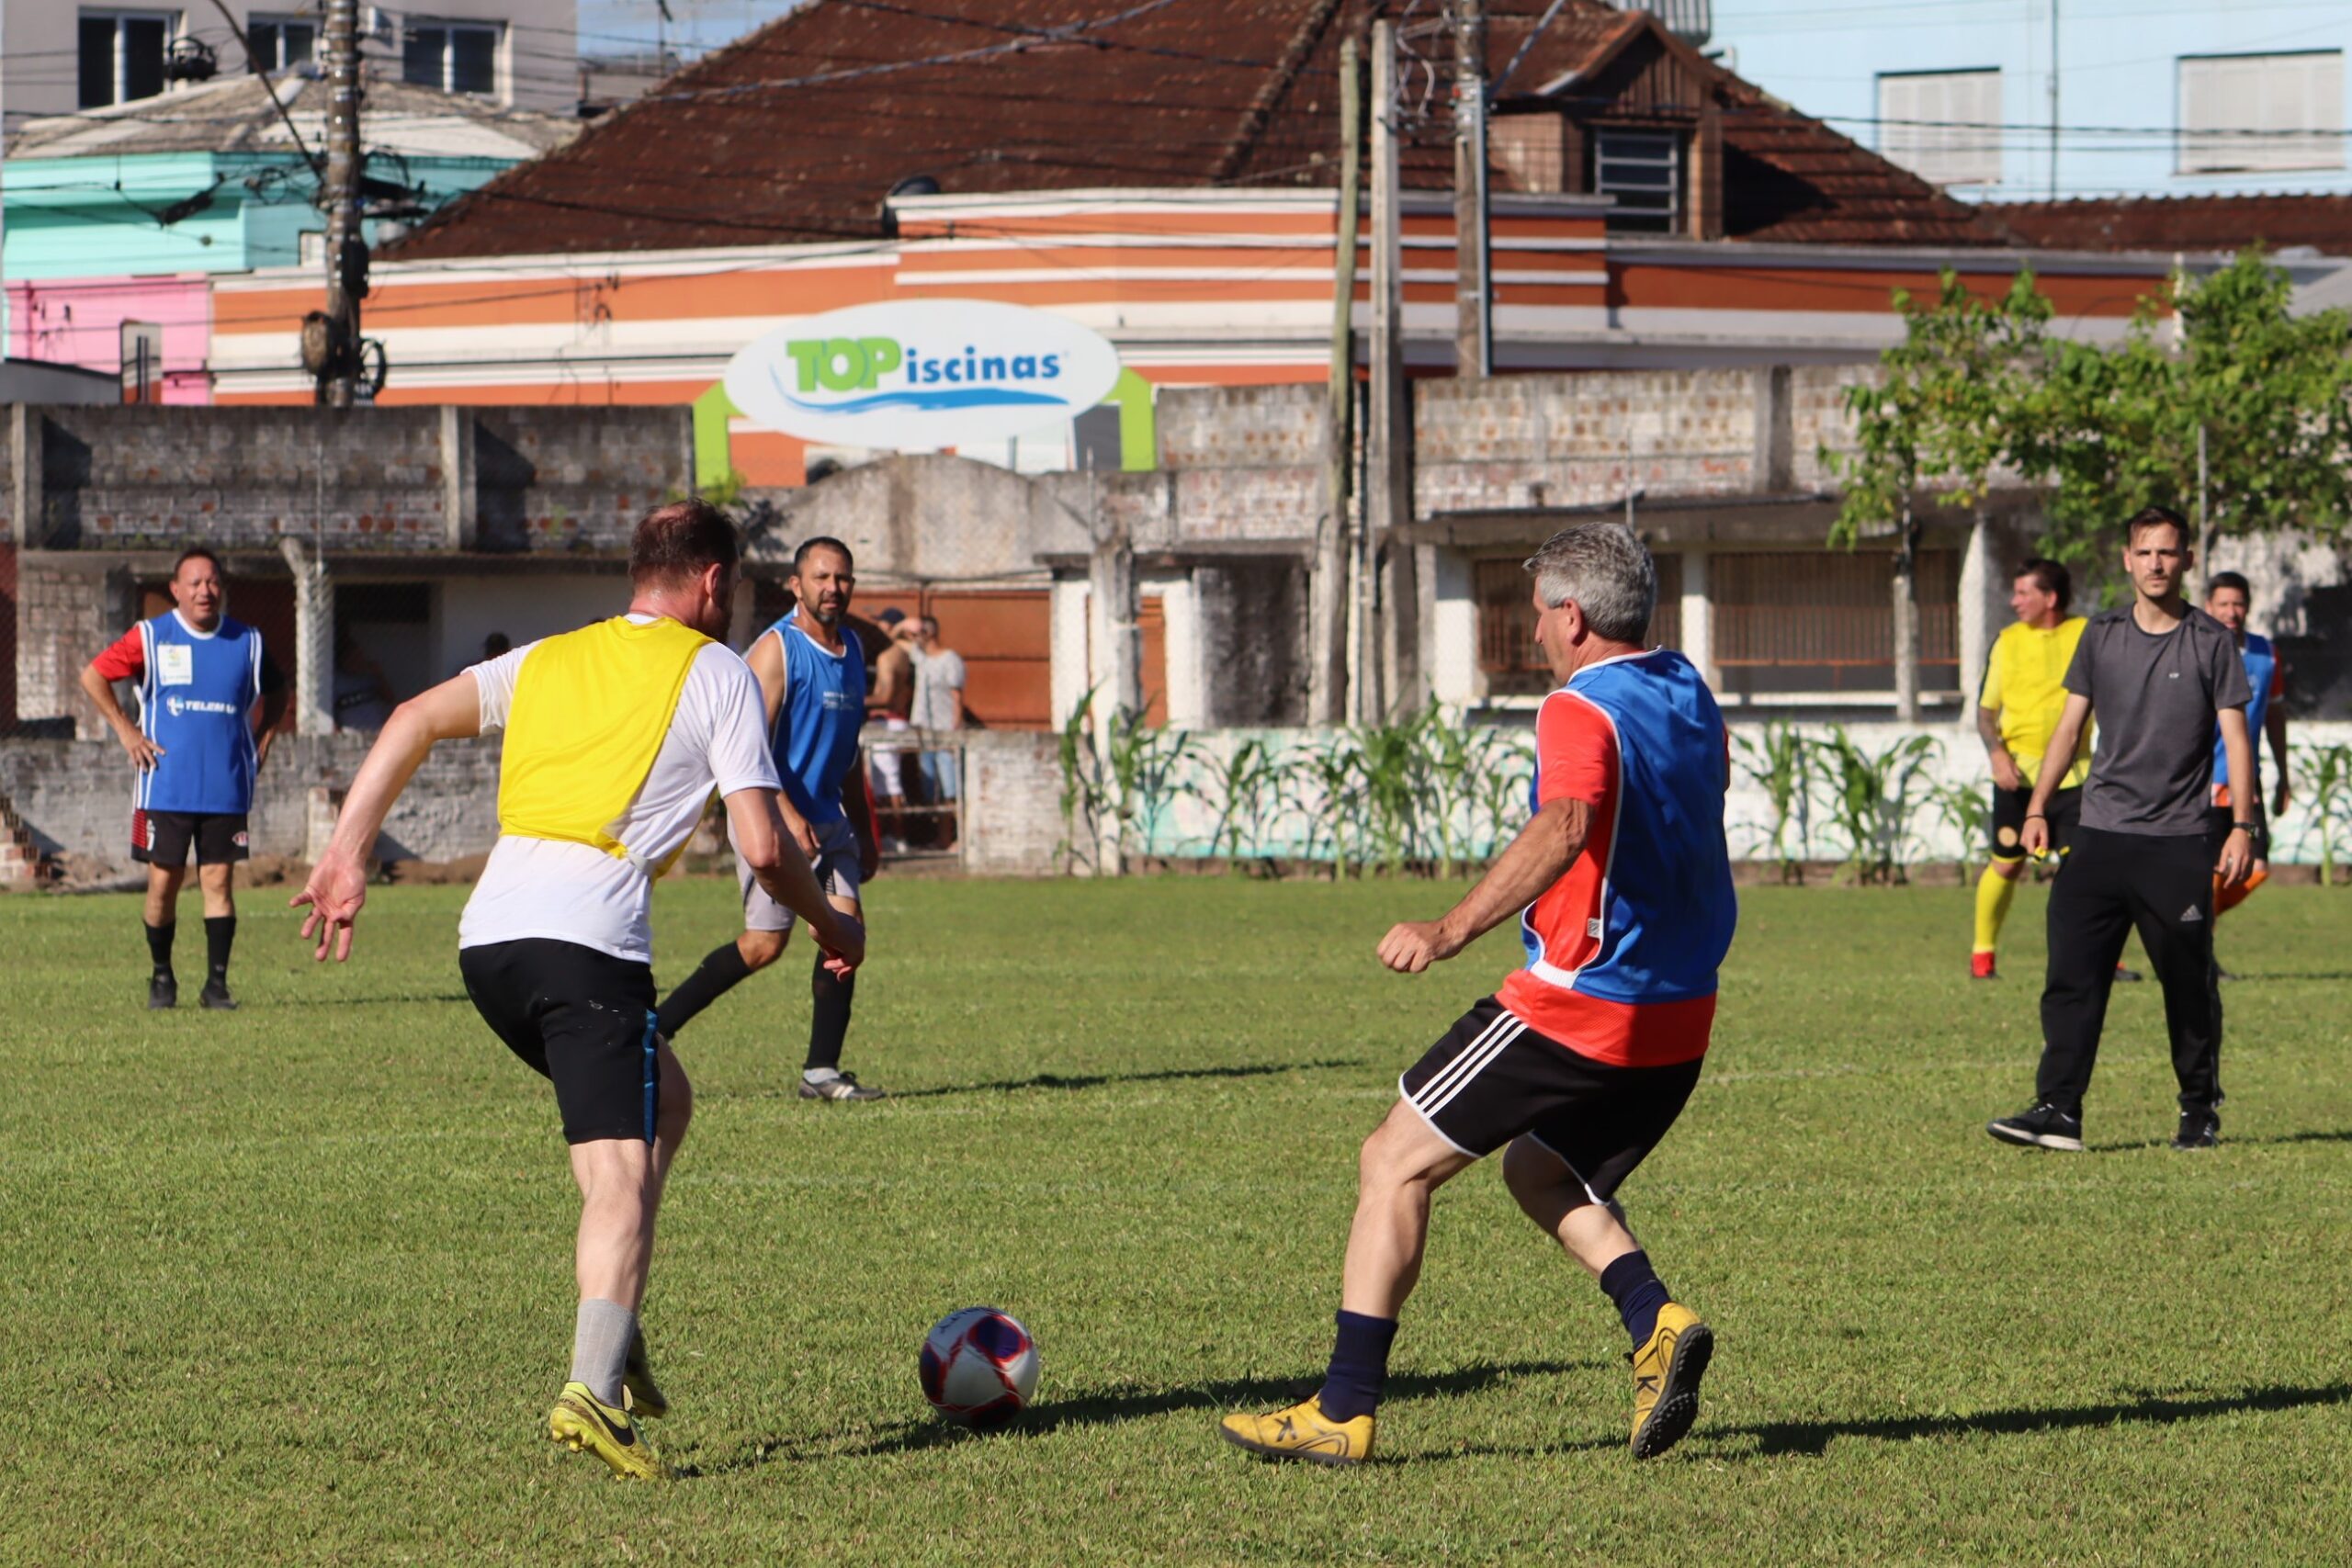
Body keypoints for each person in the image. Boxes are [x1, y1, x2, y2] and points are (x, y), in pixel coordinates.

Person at [290, 500, 865, 1481]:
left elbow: (410, 718)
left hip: (490, 945)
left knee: (665, 1100)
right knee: (621, 1176)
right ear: (715, 584)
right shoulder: (717, 669)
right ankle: (593, 1390)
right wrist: (829, 922)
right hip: (585, 945)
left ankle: (618, 1307)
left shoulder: (553, 656)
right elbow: (763, 846)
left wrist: (344, 855)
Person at [1218, 523, 1736, 1467]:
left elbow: (1568, 820)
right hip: (1681, 1010)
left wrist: (1447, 929)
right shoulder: (1688, 690)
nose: (1533, 632)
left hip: (1578, 1003)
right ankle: (1654, 1319)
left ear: (1572, 618)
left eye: (1537, 614)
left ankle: (1341, 1410)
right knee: (1539, 1172)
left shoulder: (1580, 708)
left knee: (1392, 1161)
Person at [1988, 506, 2255, 1156]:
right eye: (2145, 553)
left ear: (2187, 560)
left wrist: (2242, 825)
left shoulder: (2210, 641)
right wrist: (2036, 806)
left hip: (2178, 840)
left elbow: (2236, 739)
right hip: (2100, 834)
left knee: (2188, 984)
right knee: (2072, 977)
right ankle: (2059, 1110)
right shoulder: (2101, 636)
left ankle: (2199, 1110)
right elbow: (2069, 728)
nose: (2157, 564)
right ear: (2127, 560)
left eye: (2169, 553)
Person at [651, 536, 888, 1100]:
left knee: (846, 939)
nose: (834, 588)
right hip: (771, 818)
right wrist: (784, 814)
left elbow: (847, 750)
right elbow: (744, 747)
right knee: (763, 945)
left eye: (844, 578)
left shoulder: (853, 649)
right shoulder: (775, 651)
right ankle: (652, 1031)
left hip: (829, 822)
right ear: (796, 584)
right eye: (822, 577)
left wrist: (863, 829)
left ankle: (821, 1072)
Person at [79, 547, 287, 1010]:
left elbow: (278, 689)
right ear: (175, 590)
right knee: (163, 883)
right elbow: (93, 675)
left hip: (226, 785)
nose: (204, 591)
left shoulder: (247, 641)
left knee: (218, 882)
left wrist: (264, 738)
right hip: (165, 784)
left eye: (212, 582)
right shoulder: (151, 637)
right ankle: (162, 976)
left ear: (223, 588)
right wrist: (126, 730)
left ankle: (216, 986)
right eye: (193, 583)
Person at [1970, 559, 2088, 981]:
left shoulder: (2087, 635)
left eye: (2023, 593)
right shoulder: (2007, 641)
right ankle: (1982, 956)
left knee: (2086, 871)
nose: (2013, 601)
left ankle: (2098, 959)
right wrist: (1997, 754)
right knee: (2006, 864)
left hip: (2077, 776)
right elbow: (1985, 713)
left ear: (2050, 598)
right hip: (2016, 777)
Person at [2200, 572, 2291, 964]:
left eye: (2237, 603)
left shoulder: (2266, 654)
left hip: (2243, 781)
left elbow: (2274, 716)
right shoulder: (2196, 649)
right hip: (2201, 779)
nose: (2230, 612)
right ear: (2209, 607)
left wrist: (2283, 774)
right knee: (2211, 872)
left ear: (2248, 606)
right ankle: (2199, 946)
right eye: (2222, 604)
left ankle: (2185, 924)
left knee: (2256, 867)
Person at [865, 607, 915, 847]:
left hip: (887, 721)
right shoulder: (905, 654)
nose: (878, 628)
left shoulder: (888, 656)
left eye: (881, 623)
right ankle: (893, 836)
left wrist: (854, 699)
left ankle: (897, 836)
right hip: (897, 720)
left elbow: (884, 697)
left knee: (887, 783)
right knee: (887, 781)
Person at [910, 614, 966, 808]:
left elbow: (957, 697)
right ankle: (941, 839)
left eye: (918, 633)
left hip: (944, 732)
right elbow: (892, 635)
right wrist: (905, 624)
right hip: (924, 732)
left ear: (929, 633)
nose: (914, 637)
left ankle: (953, 836)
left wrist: (954, 734)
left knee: (950, 791)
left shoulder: (950, 659)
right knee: (932, 792)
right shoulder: (921, 658)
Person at [331, 626, 396, 732]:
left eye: (359, 656)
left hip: (377, 728)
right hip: (351, 732)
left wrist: (379, 675)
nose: (357, 661)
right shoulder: (336, 681)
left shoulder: (369, 674)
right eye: (352, 658)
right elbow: (329, 712)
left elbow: (390, 699)